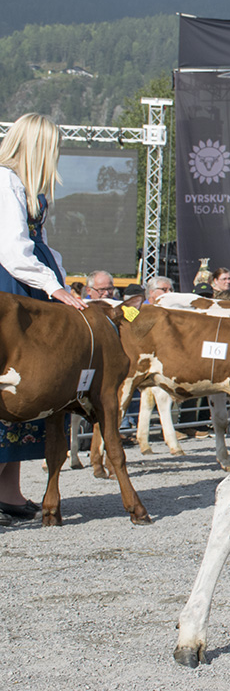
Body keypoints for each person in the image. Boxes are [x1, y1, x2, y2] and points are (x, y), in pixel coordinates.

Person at [0, 112, 86, 526]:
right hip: (9, 289)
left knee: (29, 387)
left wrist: (61, 284)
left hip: (30, 290)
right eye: (53, 148)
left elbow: (44, 247)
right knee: (9, 384)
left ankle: (8, 492)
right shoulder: (4, 181)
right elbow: (12, 249)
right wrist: (53, 287)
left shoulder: (30, 188)